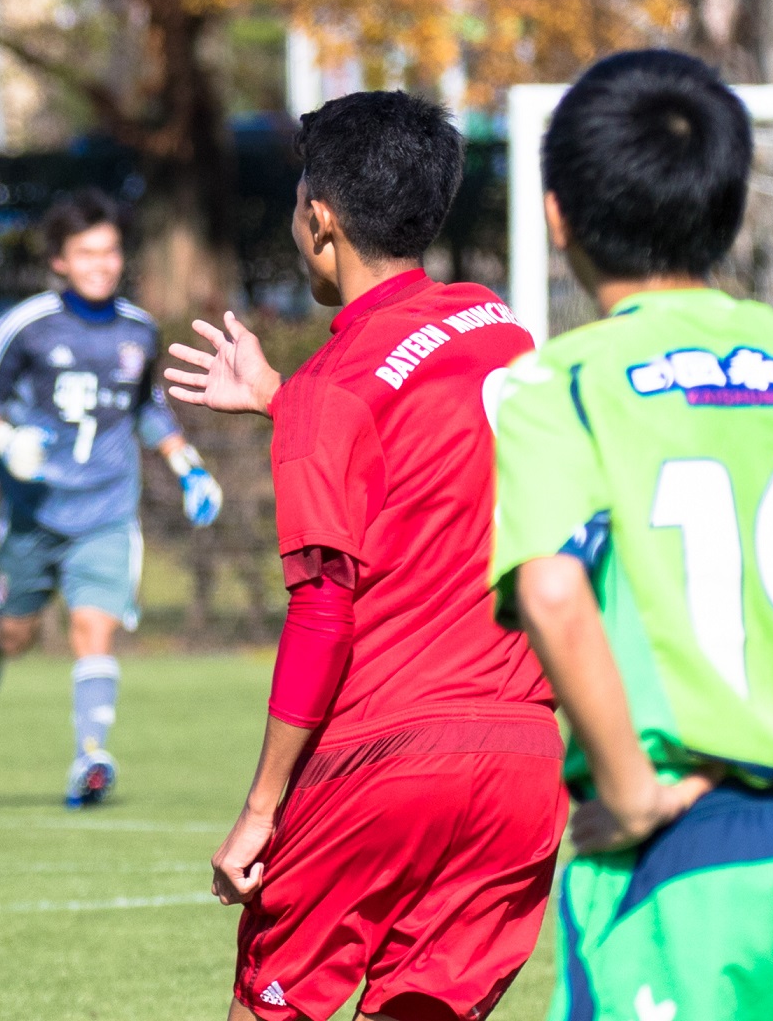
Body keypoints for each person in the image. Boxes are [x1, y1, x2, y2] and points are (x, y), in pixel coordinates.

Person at [490, 49, 773, 1021]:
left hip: (685, 851)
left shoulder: (563, 384)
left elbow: (551, 588)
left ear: (556, 216)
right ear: (731, 205)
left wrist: (627, 791)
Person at [167, 91, 566, 1021]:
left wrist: (262, 803)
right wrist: (282, 398)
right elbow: (432, 456)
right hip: (516, 763)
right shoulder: (497, 326)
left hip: (381, 764)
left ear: (319, 218)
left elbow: (322, 611)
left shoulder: (331, 389)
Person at [0, 188, 223, 808]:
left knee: (91, 627)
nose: (102, 264)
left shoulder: (139, 329)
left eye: (110, 252)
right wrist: (7, 442)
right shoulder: (24, 326)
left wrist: (189, 468)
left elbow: (146, 409)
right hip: (34, 512)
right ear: (59, 261)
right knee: (23, 632)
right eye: (87, 254)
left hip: (106, 508)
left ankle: (91, 756)